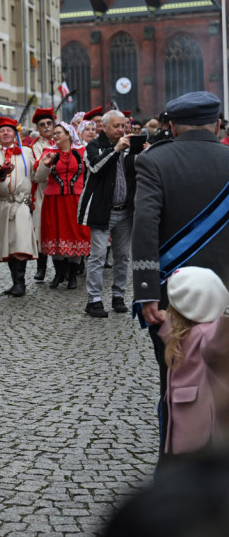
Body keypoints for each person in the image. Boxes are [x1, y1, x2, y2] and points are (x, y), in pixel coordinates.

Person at [133, 90, 229, 466]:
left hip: (176, 300)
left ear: (171, 126)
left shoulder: (154, 161)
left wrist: (146, 292)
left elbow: (144, 228)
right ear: (217, 123)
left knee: (176, 383)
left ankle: (174, 466)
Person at [158, 267, 229, 456]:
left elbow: (218, 341)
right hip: (185, 418)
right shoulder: (185, 330)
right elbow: (175, 335)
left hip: (200, 427)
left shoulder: (208, 333)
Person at [79, 109, 136, 318]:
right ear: (105, 127)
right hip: (102, 210)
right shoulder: (94, 146)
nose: (121, 130)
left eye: (123, 126)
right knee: (98, 256)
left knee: (122, 256)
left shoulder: (130, 145)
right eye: (116, 126)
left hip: (125, 212)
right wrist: (115, 150)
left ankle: (118, 296)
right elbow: (95, 167)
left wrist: (146, 153)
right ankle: (94, 300)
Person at [0, 116, 38, 297]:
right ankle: (15, 282)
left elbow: (37, 175)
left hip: (21, 202)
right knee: (7, 245)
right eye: (1, 131)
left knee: (20, 241)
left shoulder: (27, 152)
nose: (5, 133)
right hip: (1, 204)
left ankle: (20, 283)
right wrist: (0, 171)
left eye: (9, 130)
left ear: (15, 133)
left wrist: (45, 165)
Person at [33, 122, 90, 291]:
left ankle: (72, 275)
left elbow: (90, 173)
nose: (55, 136)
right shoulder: (48, 152)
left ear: (68, 135)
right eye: (54, 134)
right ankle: (59, 273)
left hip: (75, 199)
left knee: (75, 235)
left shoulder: (81, 152)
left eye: (59, 133)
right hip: (54, 200)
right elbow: (37, 178)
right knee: (55, 234)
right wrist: (45, 164)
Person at [25, 108, 56, 283]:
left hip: (61, 191)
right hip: (42, 191)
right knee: (42, 229)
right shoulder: (34, 147)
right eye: (42, 124)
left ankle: (66, 267)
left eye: (49, 123)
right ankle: (41, 268)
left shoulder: (64, 139)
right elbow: (36, 174)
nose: (46, 127)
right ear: (37, 127)